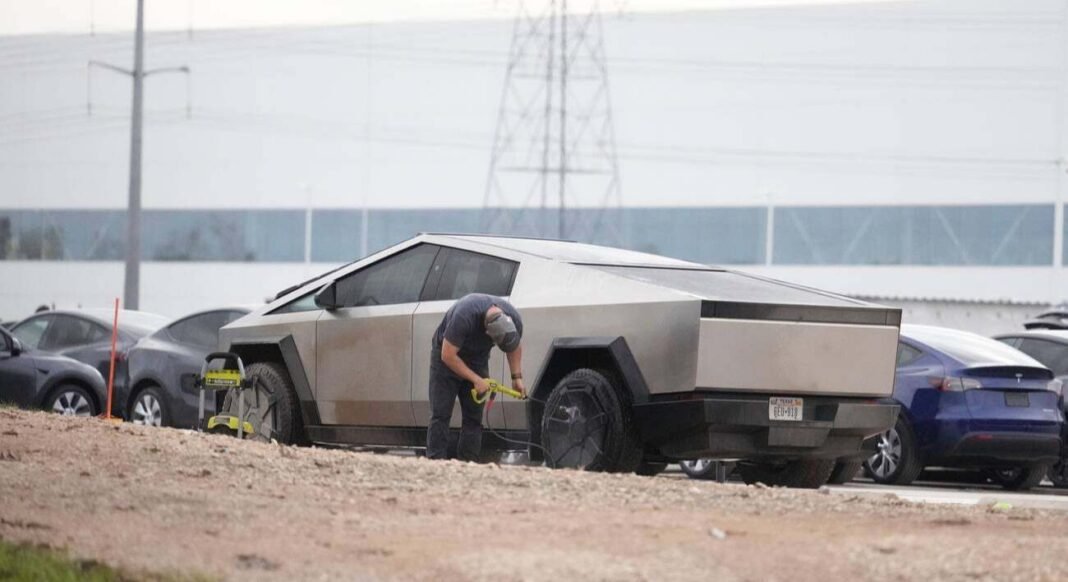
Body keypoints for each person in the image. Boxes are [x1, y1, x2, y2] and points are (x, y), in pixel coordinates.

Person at [427, 293, 525, 461]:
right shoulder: (464, 316)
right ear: (487, 332)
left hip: (477, 359)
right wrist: (476, 380)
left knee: (474, 417)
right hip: (446, 356)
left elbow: (514, 347)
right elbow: (448, 355)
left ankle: (469, 464)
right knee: (441, 413)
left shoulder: (513, 319)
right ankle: (436, 462)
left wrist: (516, 377)